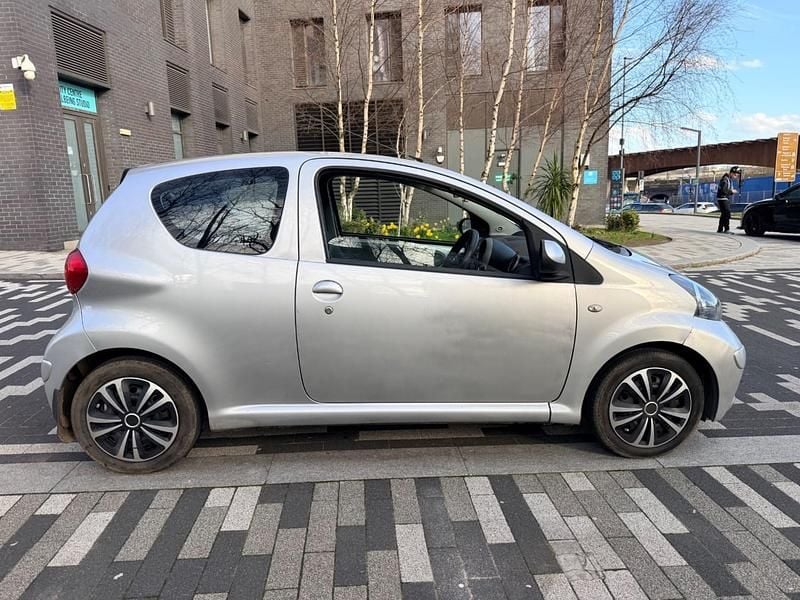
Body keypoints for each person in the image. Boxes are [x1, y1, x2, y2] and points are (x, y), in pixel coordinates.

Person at [716, 166, 740, 233]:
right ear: (732, 173)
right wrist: (732, 191)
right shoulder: (725, 179)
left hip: (723, 198)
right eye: (735, 175)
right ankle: (727, 229)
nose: (736, 176)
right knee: (727, 213)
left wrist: (731, 192)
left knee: (724, 214)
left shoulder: (727, 179)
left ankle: (720, 229)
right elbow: (724, 190)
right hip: (723, 198)